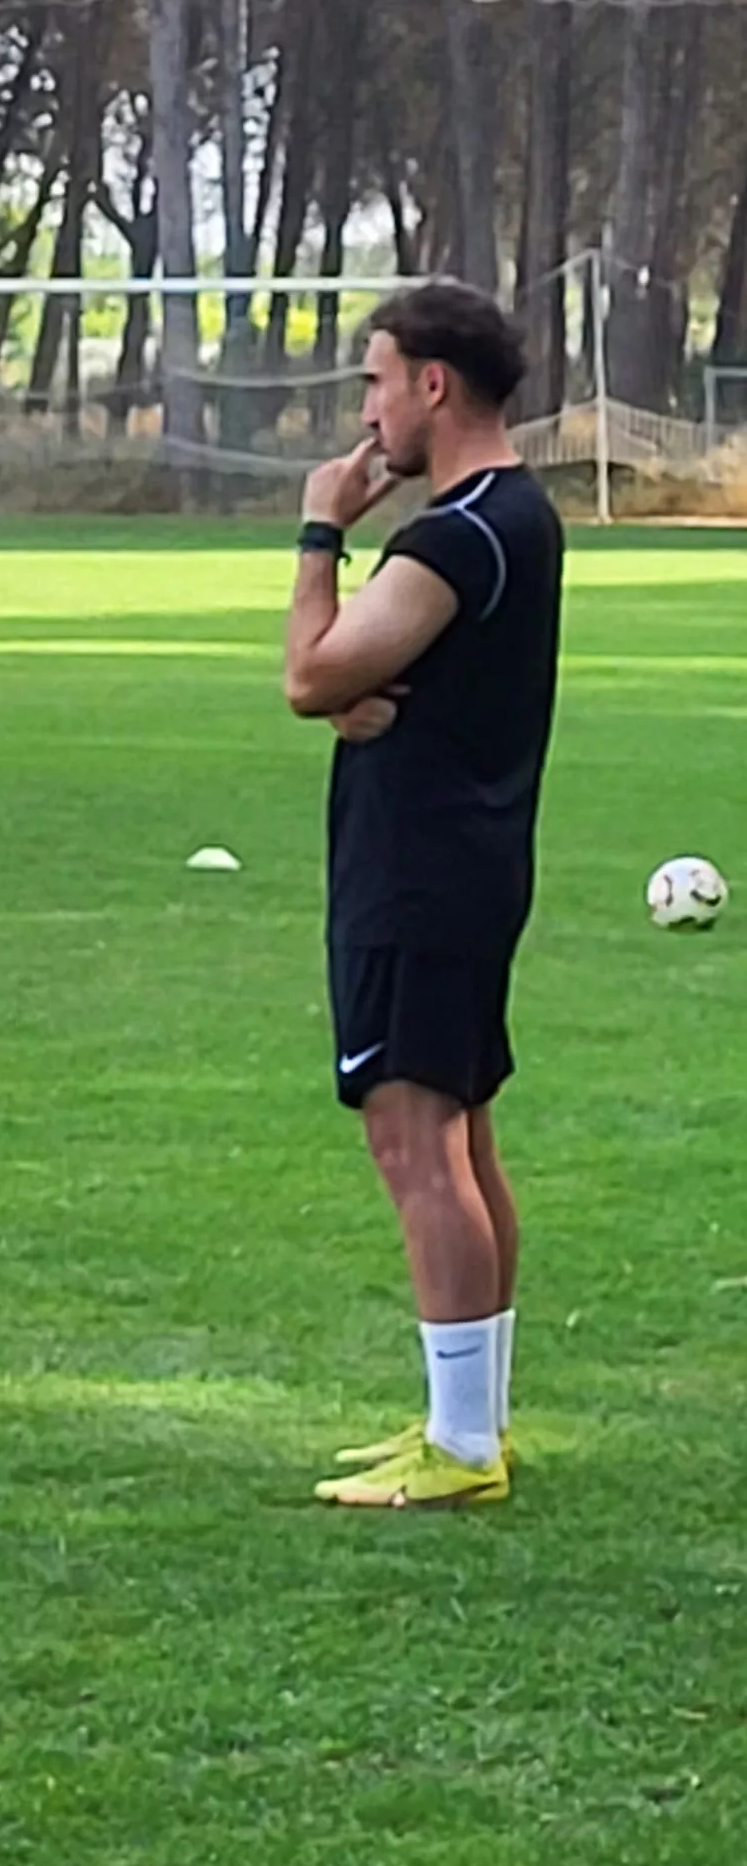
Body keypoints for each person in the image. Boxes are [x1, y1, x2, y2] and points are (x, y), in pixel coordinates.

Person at [282, 280, 562, 1512]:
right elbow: (374, 680)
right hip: (469, 862)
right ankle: (471, 1423)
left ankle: (461, 1450)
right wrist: (361, 694)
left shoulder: (454, 533)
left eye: (374, 380)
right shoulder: (516, 518)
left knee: (414, 1137)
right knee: (461, 1134)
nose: (366, 409)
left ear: (431, 386)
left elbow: (307, 673)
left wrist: (316, 535)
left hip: (420, 873)